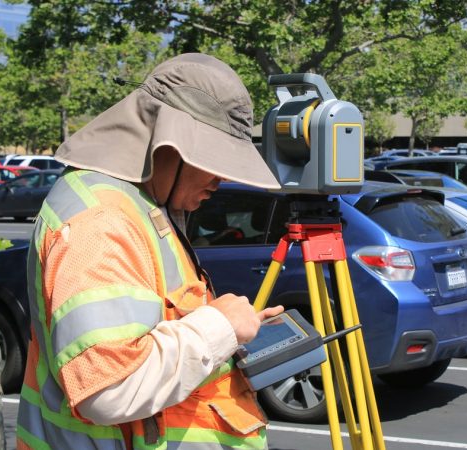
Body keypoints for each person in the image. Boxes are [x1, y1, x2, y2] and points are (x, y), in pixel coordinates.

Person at [16, 53, 284, 450]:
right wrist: (219, 327)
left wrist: (233, 330)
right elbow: (108, 388)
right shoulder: (103, 220)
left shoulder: (138, 204)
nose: (222, 178)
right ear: (167, 145)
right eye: (211, 158)